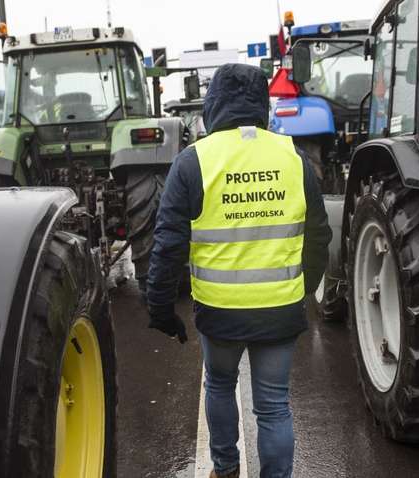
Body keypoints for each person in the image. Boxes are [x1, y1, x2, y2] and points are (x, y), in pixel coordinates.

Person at [146, 64, 332, 478]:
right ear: (262, 105)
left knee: (219, 385)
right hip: (279, 309)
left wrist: (161, 310)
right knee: (273, 405)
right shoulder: (293, 159)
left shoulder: (193, 162)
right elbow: (319, 237)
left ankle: (226, 469)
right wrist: (303, 291)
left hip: (220, 312)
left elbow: (168, 247)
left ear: (214, 105)